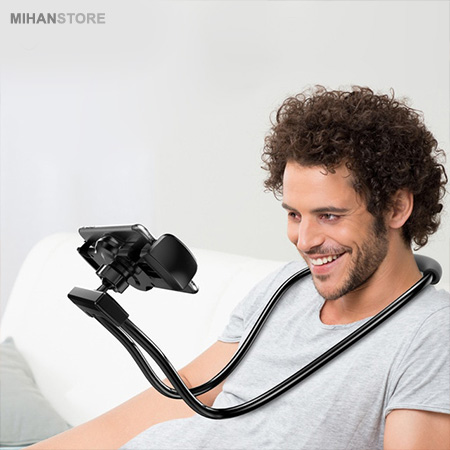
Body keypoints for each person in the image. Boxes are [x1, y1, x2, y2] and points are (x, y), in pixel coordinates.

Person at [31, 86, 449, 450]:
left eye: (329, 216)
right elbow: (181, 395)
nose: (304, 240)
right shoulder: (286, 288)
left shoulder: (431, 336)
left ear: (396, 208)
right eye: (294, 215)